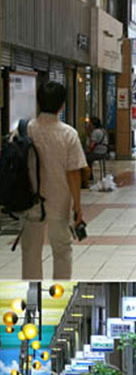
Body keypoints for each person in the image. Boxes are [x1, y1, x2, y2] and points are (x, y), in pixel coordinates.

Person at [19, 81, 87, 280]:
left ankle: (31, 288)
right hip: (59, 201)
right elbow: (74, 173)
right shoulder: (68, 134)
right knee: (62, 251)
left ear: (38, 103)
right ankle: (61, 286)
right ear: (62, 105)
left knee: (30, 253)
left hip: (30, 201)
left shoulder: (25, 130)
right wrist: (78, 206)